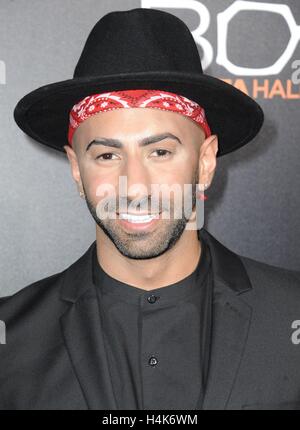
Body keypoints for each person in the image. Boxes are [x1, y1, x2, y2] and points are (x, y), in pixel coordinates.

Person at [0, 8, 299, 410]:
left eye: (160, 151)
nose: (136, 186)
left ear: (206, 161)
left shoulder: (290, 314)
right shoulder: (11, 338)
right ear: (76, 168)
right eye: (107, 156)